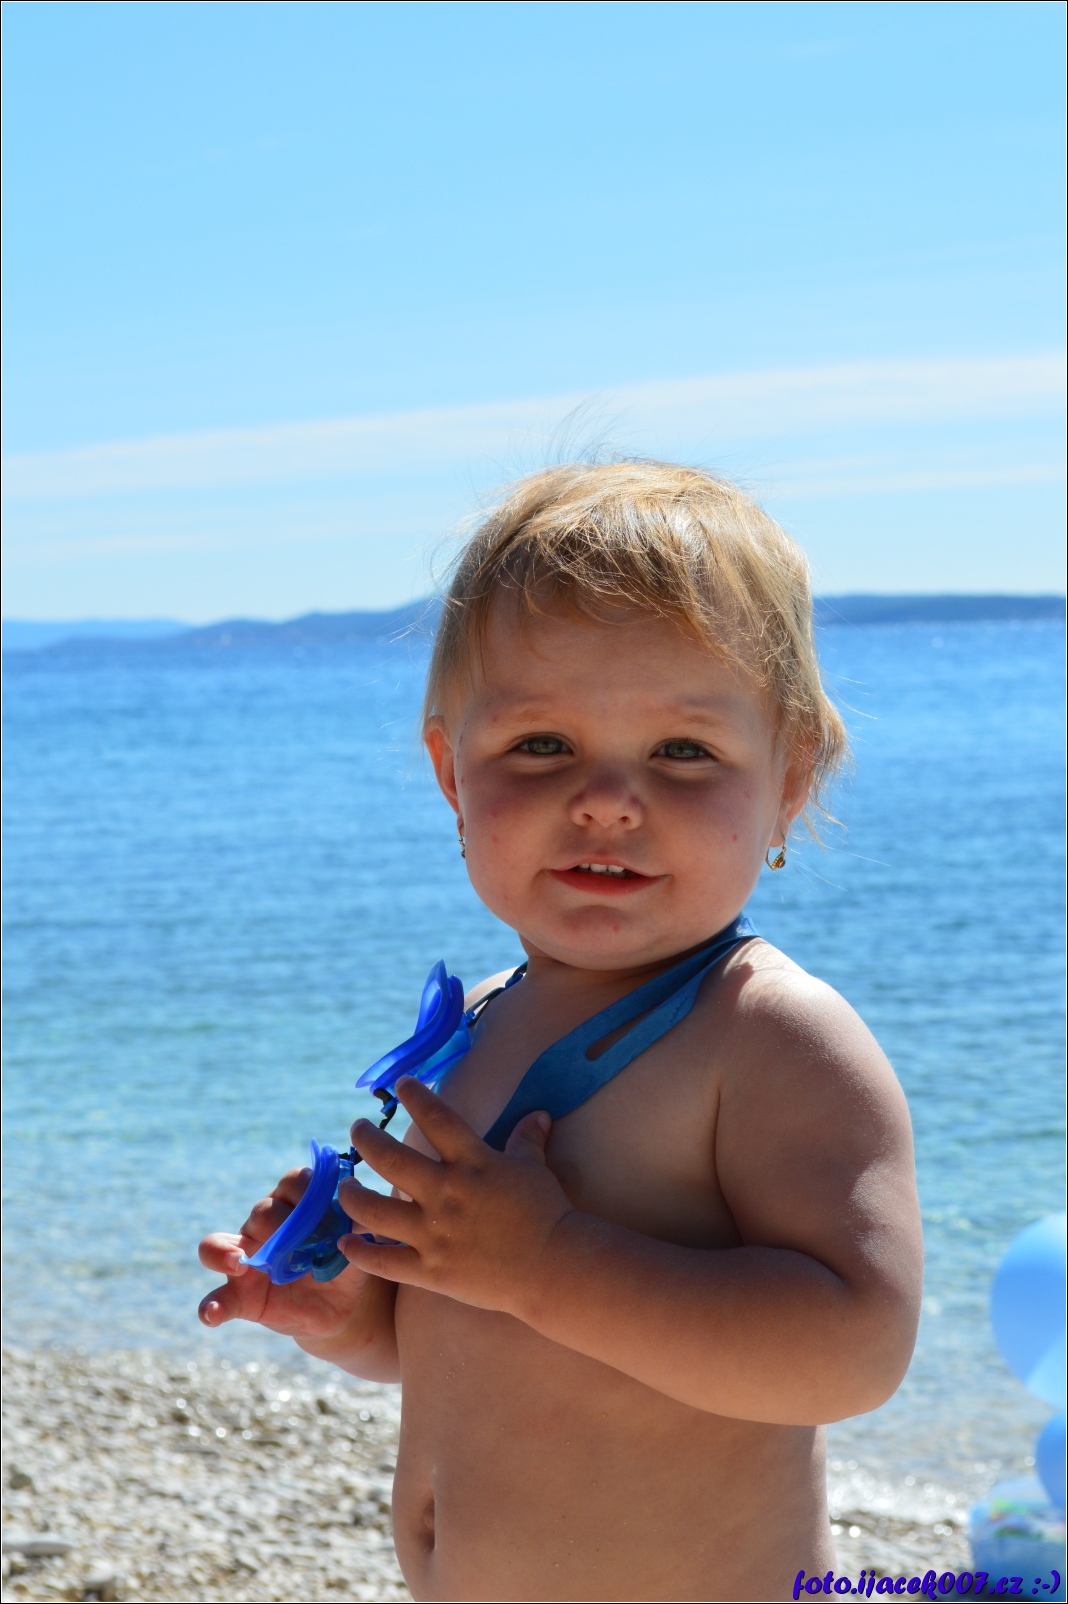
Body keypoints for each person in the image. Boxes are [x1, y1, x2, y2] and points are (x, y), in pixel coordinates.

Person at [198, 460, 923, 1603]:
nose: (606, 799)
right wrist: (353, 1305)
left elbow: (852, 1350)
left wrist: (547, 1262)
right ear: (450, 771)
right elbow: (475, 1336)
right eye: (541, 744)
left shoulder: (768, 1035)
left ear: (790, 780)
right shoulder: (482, 1019)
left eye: (684, 750)